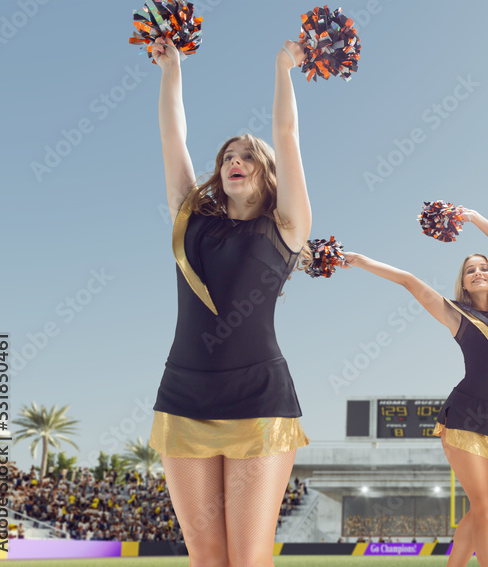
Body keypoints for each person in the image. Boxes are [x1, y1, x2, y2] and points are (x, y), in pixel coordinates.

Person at [146, 35, 313, 567]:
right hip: (183, 394)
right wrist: (172, 69)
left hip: (259, 400)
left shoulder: (284, 229)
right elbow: (172, 136)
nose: (233, 161)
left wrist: (283, 66)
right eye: (227, 157)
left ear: (266, 174)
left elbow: (286, 133)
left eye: (246, 156)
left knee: (247, 556)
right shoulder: (191, 223)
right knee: (205, 555)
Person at [343, 209, 488, 567]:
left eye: (483, 267)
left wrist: (475, 218)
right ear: (463, 283)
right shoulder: (457, 315)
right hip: (465, 416)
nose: (478, 272)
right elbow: (410, 281)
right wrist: (363, 260)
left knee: (483, 507)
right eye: (469, 270)